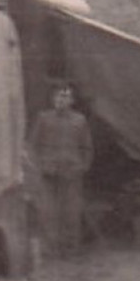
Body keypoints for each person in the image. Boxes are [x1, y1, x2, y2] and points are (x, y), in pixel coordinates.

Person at [28, 82, 93, 256]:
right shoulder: (43, 118)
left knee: (71, 212)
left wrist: (82, 166)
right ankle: (51, 250)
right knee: (48, 212)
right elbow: (32, 146)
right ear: (52, 99)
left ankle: (70, 249)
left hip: (72, 173)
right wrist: (39, 166)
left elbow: (87, 147)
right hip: (48, 172)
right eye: (58, 96)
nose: (61, 100)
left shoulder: (80, 120)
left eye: (65, 97)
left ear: (72, 100)